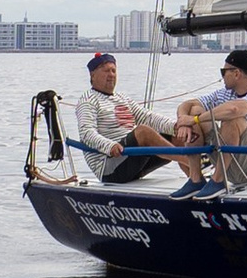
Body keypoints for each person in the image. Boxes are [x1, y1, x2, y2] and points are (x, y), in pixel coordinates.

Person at [175, 46, 247, 189]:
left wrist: (195, 120)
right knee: (195, 110)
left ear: (236, 73)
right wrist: (183, 121)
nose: (222, 76)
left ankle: (218, 180)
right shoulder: (224, 93)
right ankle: (195, 179)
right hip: (235, 162)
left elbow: (234, 109)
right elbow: (188, 104)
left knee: (232, 118)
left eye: (223, 72)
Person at [69, 50, 175, 182]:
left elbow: (147, 117)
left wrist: (176, 126)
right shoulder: (88, 100)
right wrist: (109, 146)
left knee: (177, 135)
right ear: (93, 75)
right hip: (110, 165)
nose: (111, 75)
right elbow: (87, 133)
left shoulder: (122, 98)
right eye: (106, 71)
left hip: (131, 157)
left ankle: (194, 179)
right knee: (143, 132)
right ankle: (188, 161)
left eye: (113, 71)